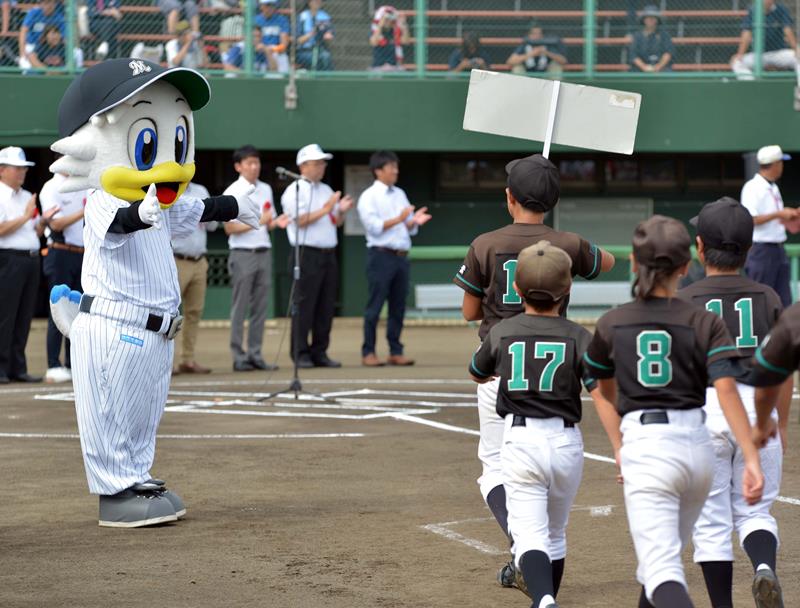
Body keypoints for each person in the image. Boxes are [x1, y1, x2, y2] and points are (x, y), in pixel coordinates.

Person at [49, 59, 265, 526]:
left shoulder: (160, 204)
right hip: (115, 326)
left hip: (156, 330)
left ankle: (136, 476)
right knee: (111, 412)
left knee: (142, 413)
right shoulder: (104, 199)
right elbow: (118, 225)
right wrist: (139, 215)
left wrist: (233, 205)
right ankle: (115, 491)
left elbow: (193, 209)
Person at [584, 215, 764, 608]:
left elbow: (603, 387)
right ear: (686, 265)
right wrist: (751, 456)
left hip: (650, 448)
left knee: (662, 572)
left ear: (634, 262)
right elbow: (726, 390)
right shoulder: (705, 320)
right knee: (654, 570)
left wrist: (621, 432)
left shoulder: (613, 322)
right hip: (698, 449)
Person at [453, 153, 614, 589]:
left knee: (494, 469)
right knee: (549, 460)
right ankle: (531, 548)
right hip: (555, 362)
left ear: (509, 197)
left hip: (499, 363)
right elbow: (608, 262)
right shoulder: (567, 243)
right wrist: (573, 249)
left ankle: (524, 545)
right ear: (554, 199)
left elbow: (470, 311)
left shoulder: (485, 243)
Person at [469, 241, 601, 608]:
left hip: (522, 440)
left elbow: (478, 371)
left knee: (529, 535)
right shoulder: (580, 335)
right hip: (566, 441)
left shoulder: (502, 331)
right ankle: (544, 598)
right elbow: (601, 387)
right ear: (567, 288)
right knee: (555, 534)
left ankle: (544, 599)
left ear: (516, 288)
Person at [677, 198, 788, 608]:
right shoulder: (768, 296)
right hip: (757, 407)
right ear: (750, 248)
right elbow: (782, 369)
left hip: (704, 410)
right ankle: (763, 566)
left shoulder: (684, 300)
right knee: (756, 511)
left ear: (699, 247)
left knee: (710, 523)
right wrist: (780, 423)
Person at [281, 144, 353, 369]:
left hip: (328, 253)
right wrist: (328, 207)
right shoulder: (295, 190)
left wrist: (340, 210)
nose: (322, 167)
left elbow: (335, 221)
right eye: (317, 163)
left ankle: (320, 351)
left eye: (323, 163)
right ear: (303, 165)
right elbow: (300, 220)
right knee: (304, 305)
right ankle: (300, 352)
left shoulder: (326, 189)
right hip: (306, 253)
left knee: (325, 305)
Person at [357, 150, 431, 367]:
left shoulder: (399, 193)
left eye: (396, 167)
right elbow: (374, 227)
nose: (396, 171)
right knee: (375, 306)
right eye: (391, 167)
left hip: (401, 257)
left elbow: (406, 225)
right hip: (380, 256)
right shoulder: (369, 196)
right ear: (378, 171)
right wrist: (400, 219)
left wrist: (414, 221)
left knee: (398, 306)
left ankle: (395, 351)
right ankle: (368, 352)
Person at [223, 144, 290, 372]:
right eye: (249, 163)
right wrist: (260, 221)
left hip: (263, 251)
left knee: (261, 308)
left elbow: (268, 222)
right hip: (243, 253)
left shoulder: (266, 189)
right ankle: (238, 356)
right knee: (240, 307)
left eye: (257, 162)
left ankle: (255, 354)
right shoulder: (232, 191)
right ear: (238, 166)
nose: (254, 167)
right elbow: (229, 228)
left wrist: (276, 223)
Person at [0, 146, 57, 384]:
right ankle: (2, 368)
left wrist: (42, 221)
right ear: (2, 170)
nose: (22, 172)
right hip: (9, 259)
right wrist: (25, 216)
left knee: (24, 315)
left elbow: (34, 231)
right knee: (6, 315)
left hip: (31, 258)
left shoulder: (25, 196)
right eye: (17, 168)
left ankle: (18, 367)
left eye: (24, 168)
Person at [40, 164, 86, 384]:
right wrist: (83, 211)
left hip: (82, 253)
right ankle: (53, 364)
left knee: (78, 309)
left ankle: (72, 362)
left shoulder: (83, 185)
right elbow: (56, 224)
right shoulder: (52, 187)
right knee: (58, 309)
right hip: (60, 252)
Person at [741, 144, 797, 308]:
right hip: (761, 250)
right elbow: (750, 219)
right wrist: (779, 214)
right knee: (760, 301)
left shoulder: (773, 187)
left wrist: (790, 215)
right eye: (781, 162)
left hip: (778, 248)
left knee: (783, 301)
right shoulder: (752, 187)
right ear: (775, 164)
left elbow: (775, 217)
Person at [172, 181, 217, 375]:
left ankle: (187, 359)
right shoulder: (169, 190)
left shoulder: (201, 190)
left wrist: (207, 212)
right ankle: (165, 361)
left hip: (199, 259)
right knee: (169, 313)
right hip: (176, 259)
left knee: (194, 312)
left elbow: (213, 225)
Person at [731, 0, 797, 80]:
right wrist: (740, 54)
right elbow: (746, 33)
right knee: (737, 63)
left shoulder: (781, 9)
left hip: (778, 53)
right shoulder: (753, 11)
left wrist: (796, 49)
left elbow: (788, 30)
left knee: (798, 58)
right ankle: (754, 85)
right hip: (759, 55)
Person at [18, 0, 65, 71]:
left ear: (55, 4)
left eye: (51, 3)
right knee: (25, 64)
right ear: (41, 4)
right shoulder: (33, 13)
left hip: (49, 47)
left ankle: (47, 72)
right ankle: (45, 71)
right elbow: (23, 31)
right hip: (32, 44)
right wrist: (22, 52)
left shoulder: (59, 17)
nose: (48, 6)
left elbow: (64, 37)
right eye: (45, 3)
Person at [629, 5, 674, 73]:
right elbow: (634, 55)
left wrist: (658, 67)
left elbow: (668, 53)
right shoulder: (637, 36)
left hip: (661, 69)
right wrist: (644, 67)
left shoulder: (664, 35)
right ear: (644, 20)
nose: (650, 19)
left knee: (668, 72)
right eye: (648, 17)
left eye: (653, 17)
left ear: (657, 20)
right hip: (640, 69)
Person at [296, 0, 334, 71]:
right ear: (309, 2)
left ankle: (326, 78)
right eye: (315, 0)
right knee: (314, 59)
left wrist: (328, 35)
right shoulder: (302, 16)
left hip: (320, 49)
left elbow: (329, 32)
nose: (318, 2)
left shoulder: (325, 17)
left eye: (320, 0)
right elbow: (299, 40)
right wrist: (310, 34)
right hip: (304, 50)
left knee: (326, 57)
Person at [369, 5, 410, 71]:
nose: (388, 21)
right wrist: (380, 24)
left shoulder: (395, 31)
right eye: (386, 20)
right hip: (379, 66)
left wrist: (404, 26)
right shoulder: (375, 30)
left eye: (390, 20)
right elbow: (374, 42)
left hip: (394, 66)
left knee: (401, 70)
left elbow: (405, 41)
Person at [254, 0, 290, 73]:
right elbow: (254, 43)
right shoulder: (255, 20)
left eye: (272, 5)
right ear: (261, 6)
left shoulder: (281, 20)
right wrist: (263, 49)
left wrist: (272, 49)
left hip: (277, 52)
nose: (269, 8)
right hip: (260, 53)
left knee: (282, 72)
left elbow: (284, 45)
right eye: (267, 5)